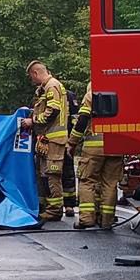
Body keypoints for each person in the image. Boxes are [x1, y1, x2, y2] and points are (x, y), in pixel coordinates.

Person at [67, 82, 123, 229]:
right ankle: (106, 221)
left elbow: (82, 121)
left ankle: (86, 219)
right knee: (110, 183)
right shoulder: (122, 92)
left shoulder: (91, 94)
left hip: (94, 148)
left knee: (87, 181)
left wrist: (72, 142)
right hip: (117, 146)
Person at [20, 61, 68, 222]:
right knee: (43, 173)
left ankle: (55, 210)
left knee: (52, 174)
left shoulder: (52, 86)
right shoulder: (45, 88)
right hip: (45, 139)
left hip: (54, 139)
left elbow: (53, 111)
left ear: (35, 73)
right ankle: (45, 206)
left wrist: (32, 121)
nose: (32, 81)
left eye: (31, 77)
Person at [62, 89, 79, 217]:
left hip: (65, 139)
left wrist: (72, 140)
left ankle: (69, 204)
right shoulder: (40, 93)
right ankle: (66, 204)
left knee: (67, 171)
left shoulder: (69, 95)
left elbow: (75, 118)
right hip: (47, 141)